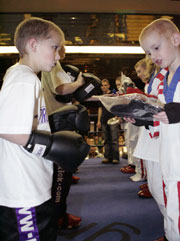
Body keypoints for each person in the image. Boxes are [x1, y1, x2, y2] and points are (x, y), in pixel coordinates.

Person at [0, 16, 64, 241]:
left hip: (28, 185)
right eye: (54, 47)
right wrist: (53, 147)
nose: (58, 56)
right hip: (23, 191)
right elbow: (8, 129)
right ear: (33, 44)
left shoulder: (22, 76)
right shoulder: (24, 80)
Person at [138, 18, 180, 241]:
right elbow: (164, 115)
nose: (153, 56)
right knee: (173, 216)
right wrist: (140, 116)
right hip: (169, 159)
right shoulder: (166, 76)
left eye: (156, 47)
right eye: (148, 51)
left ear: (175, 39)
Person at [41, 42, 84, 229]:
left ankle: (58, 214)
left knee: (61, 172)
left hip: (55, 119)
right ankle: (59, 218)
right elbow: (61, 89)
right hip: (59, 120)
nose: (64, 51)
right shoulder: (54, 64)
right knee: (61, 174)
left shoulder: (50, 66)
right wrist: (79, 83)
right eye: (62, 46)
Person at [97, 78, 120, 164]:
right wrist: (98, 120)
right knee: (106, 139)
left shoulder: (113, 94)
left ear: (109, 86)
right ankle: (107, 157)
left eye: (105, 85)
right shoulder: (101, 96)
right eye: (102, 85)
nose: (103, 87)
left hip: (113, 118)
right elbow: (99, 108)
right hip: (103, 119)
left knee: (114, 139)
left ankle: (116, 158)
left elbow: (117, 105)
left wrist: (117, 116)